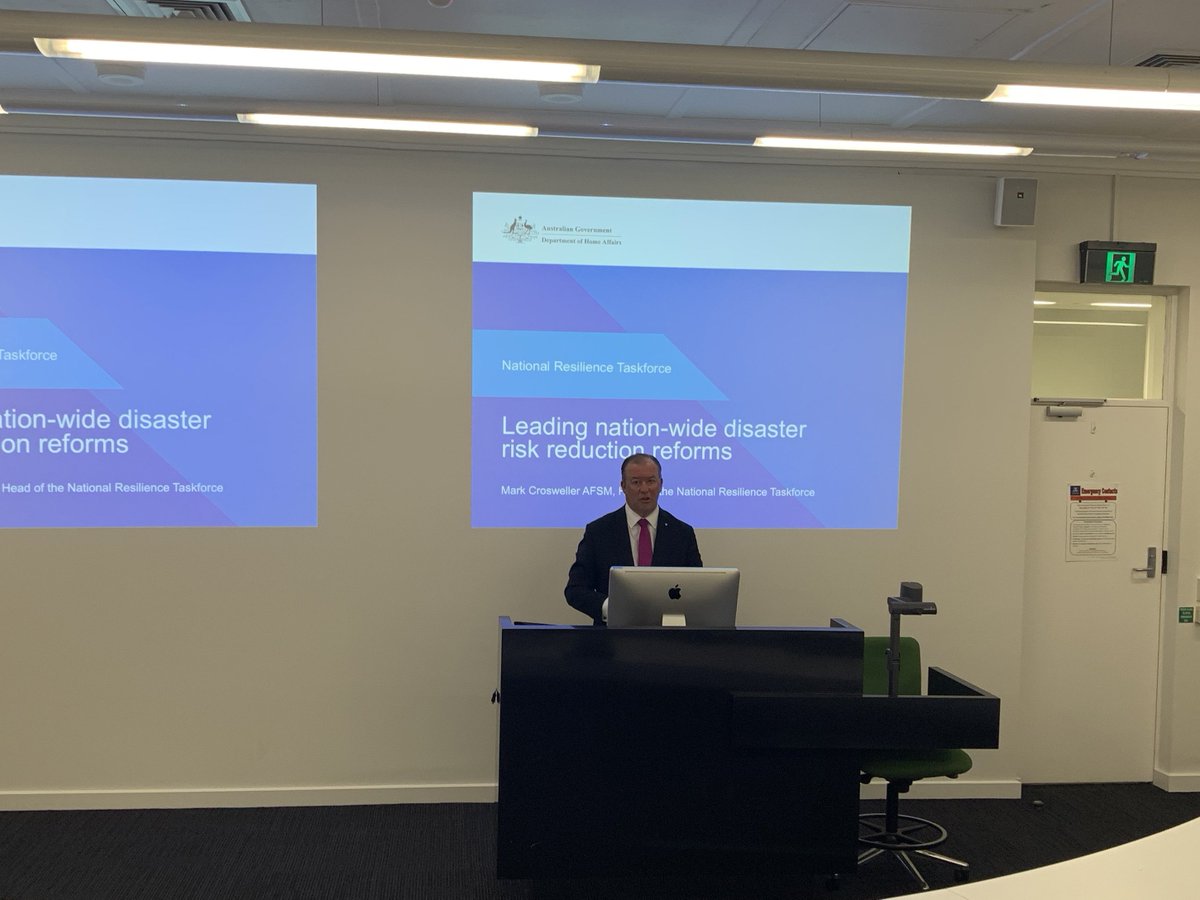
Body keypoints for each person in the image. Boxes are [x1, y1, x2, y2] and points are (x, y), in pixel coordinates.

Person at [564, 452, 703, 625]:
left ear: (661, 484)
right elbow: (575, 590)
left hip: (669, 640)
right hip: (611, 641)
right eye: (636, 482)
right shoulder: (598, 531)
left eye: (651, 481)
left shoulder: (682, 533)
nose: (644, 489)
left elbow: (698, 589)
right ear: (623, 486)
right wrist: (611, 607)